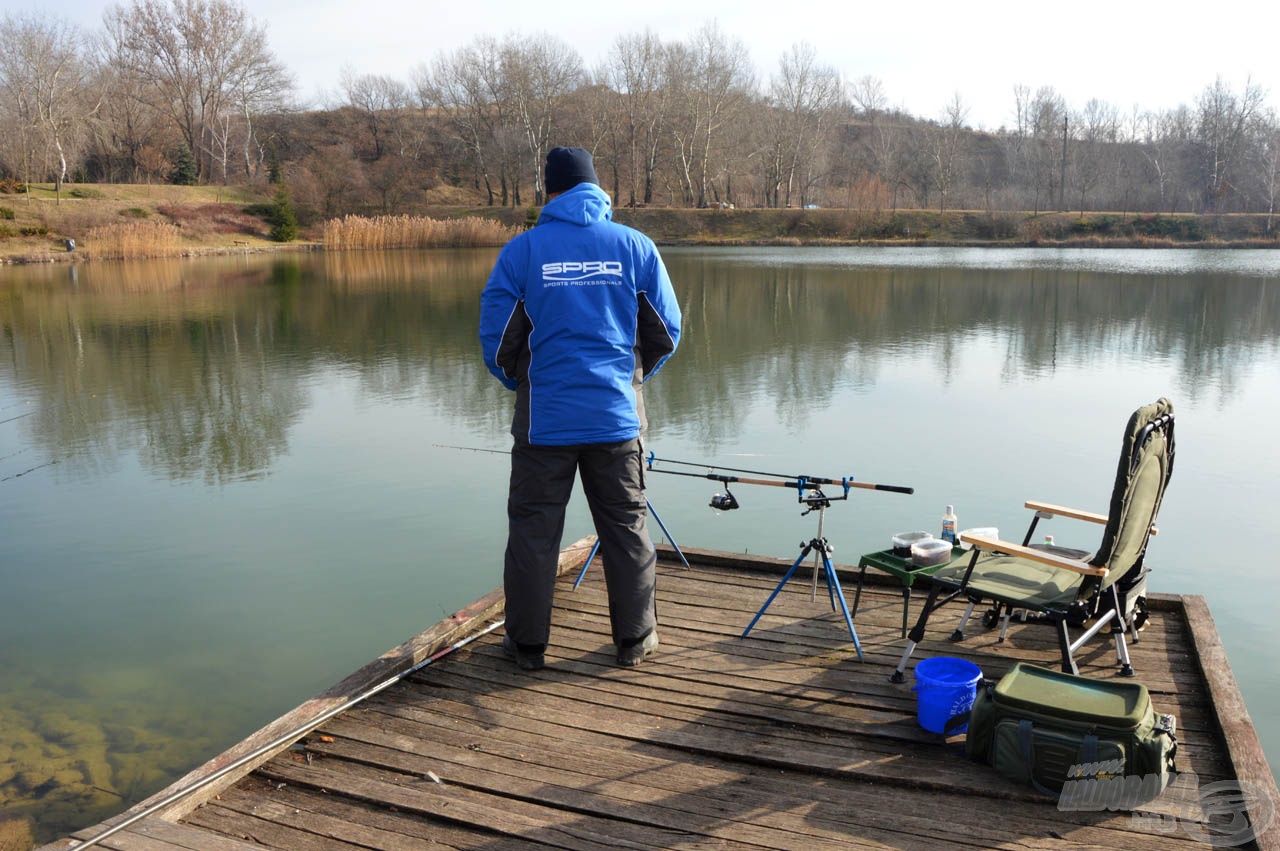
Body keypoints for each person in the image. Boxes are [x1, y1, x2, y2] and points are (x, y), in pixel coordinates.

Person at [479, 146, 682, 670]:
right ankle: (635, 642)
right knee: (626, 528)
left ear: (550, 191)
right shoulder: (636, 247)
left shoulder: (522, 252)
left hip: (544, 423)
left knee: (533, 531)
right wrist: (631, 382)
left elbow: (498, 343)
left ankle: (526, 647)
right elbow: (667, 332)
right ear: (596, 186)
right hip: (616, 419)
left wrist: (525, 385)